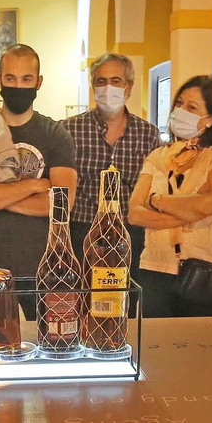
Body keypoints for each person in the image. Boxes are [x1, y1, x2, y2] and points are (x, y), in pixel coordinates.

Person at [0, 44, 78, 313]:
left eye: (26, 79)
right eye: (10, 78)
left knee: (52, 347)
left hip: (48, 267)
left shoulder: (55, 134)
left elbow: (61, 204)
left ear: (39, 82)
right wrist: (35, 186)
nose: (18, 86)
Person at [127, 76, 212, 318]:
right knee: (155, 346)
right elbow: (135, 214)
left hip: (204, 269)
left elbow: (210, 203)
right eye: (179, 103)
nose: (180, 111)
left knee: (200, 347)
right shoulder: (158, 156)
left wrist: (156, 201)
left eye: (192, 107)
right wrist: (192, 211)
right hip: (154, 267)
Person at [62, 53, 158, 278]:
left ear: (129, 87)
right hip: (82, 229)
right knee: (83, 299)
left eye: (116, 81)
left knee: (126, 297)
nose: (108, 88)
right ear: (93, 86)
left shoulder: (148, 134)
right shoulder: (69, 130)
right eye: (101, 81)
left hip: (130, 232)